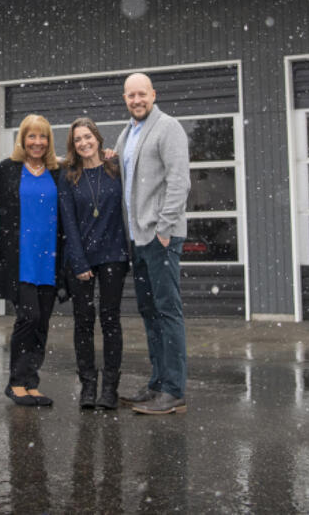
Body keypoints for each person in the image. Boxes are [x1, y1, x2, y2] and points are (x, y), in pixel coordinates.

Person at [115, 72, 191, 415]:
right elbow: (119, 170)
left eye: (141, 94)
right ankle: (157, 383)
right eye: (131, 95)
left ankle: (173, 390)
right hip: (137, 238)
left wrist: (164, 228)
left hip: (160, 236)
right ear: (125, 99)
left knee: (167, 311)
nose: (136, 100)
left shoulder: (168, 127)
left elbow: (179, 181)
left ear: (153, 95)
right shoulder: (128, 132)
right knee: (149, 312)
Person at [0, 114, 67, 406]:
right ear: (22, 139)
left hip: (49, 258)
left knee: (42, 322)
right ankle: (15, 382)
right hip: (20, 259)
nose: (37, 142)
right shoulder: (7, 170)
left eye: (43, 137)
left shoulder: (57, 171)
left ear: (49, 141)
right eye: (31, 136)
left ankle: (31, 382)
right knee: (29, 317)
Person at [58, 117, 129, 410]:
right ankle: (88, 385)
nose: (84, 143)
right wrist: (78, 259)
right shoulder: (68, 175)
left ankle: (110, 388)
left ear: (98, 138)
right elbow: (68, 222)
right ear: (73, 145)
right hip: (82, 256)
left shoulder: (116, 168)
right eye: (77, 139)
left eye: (88, 137)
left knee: (110, 320)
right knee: (83, 322)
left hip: (114, 254)